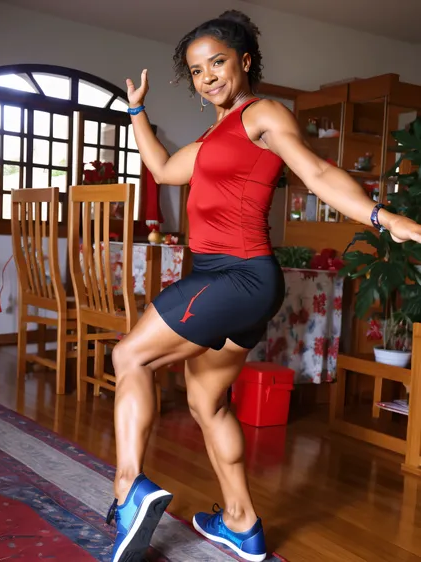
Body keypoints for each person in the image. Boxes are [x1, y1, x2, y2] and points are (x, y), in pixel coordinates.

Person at [106, 10, 421, 562]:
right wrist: (136, 111)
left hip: (236, 274)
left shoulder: (263, 114)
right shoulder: (212, 139)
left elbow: (316, 172)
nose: (208, 77)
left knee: (130, 356)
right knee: (209, 403)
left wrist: (383, 218)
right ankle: (241, 522)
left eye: (218, 63)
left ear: (245, 61)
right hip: (231, 281)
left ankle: (128, 490)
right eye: (197, 71)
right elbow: (159, 168)